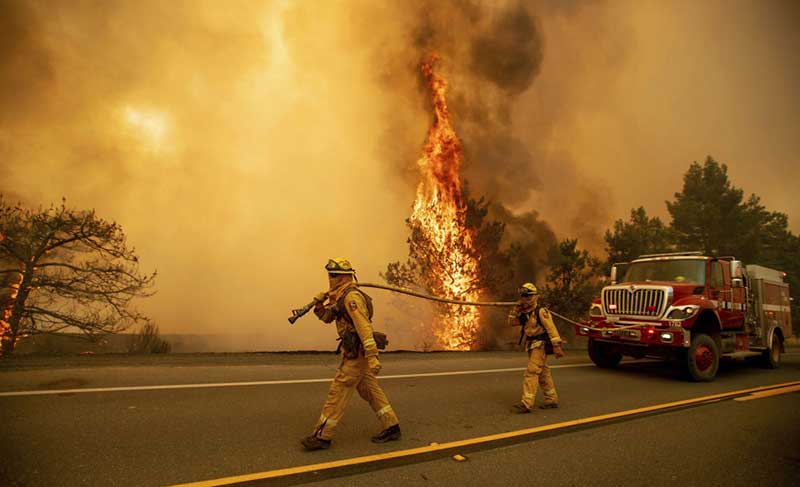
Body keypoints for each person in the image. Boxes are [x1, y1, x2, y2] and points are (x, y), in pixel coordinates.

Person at [301, 258, 401, 451]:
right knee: (368, 389)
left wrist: (372, 356)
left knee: (338, 390)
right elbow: (329, 318)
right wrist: (319, 306)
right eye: (330, 275)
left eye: (334, 275)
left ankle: (322, 436)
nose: (331, 278)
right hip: (353, 352)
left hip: (358, 354)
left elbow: (364, 327)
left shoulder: (351, 298)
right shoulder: (339, 297)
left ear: (345, 276)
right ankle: (392, 426)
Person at [508, 282, 565, 413]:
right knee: (543, 373)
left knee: (532, 371)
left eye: (529, 296)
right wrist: (515, 310)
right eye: (524, 296)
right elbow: (511, 322)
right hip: (531, 345)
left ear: (536, 297)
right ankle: (551, 399)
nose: (526, 299)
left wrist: (557, 346)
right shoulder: (524, 314)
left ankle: (526, 404)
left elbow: (552, 329)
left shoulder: (541, 312)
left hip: (540, 345)